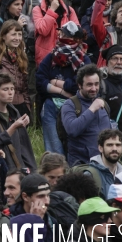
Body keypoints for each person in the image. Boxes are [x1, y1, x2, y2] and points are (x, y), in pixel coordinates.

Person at [36, 21, 90, 155]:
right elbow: (39, 81)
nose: (62, 37)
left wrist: (57, 82)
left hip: (75, 107)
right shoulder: (51, 57)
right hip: (51, 107)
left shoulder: (84, 60)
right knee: (54, 149)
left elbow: (80, 85)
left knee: (73, 146)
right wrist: (61, 91)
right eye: (62, 34)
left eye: (66, 35)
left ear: (75, 39)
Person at [0, 73, 37, 172]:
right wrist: (13, 128)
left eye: (12, 89)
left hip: (18, 170)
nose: (10, 93)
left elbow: (24, 146)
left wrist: (32, 170)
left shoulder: (14, 112)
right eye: (5, 89)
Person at [61, 64, 112, 164]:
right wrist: (92, 109)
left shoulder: (103, 104)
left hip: (104, 163)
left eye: (96, 84)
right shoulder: (69, 105)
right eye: (89, 85)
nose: (94, 88)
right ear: (80, 85)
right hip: (81, 165)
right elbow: (72, 130)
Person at [32, 0, 80, 65]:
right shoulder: (37, 9)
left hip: (65, 55)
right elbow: (42, 30)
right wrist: (52, 10)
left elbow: (77, 31)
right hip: (46, 57)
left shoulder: (69, 10)